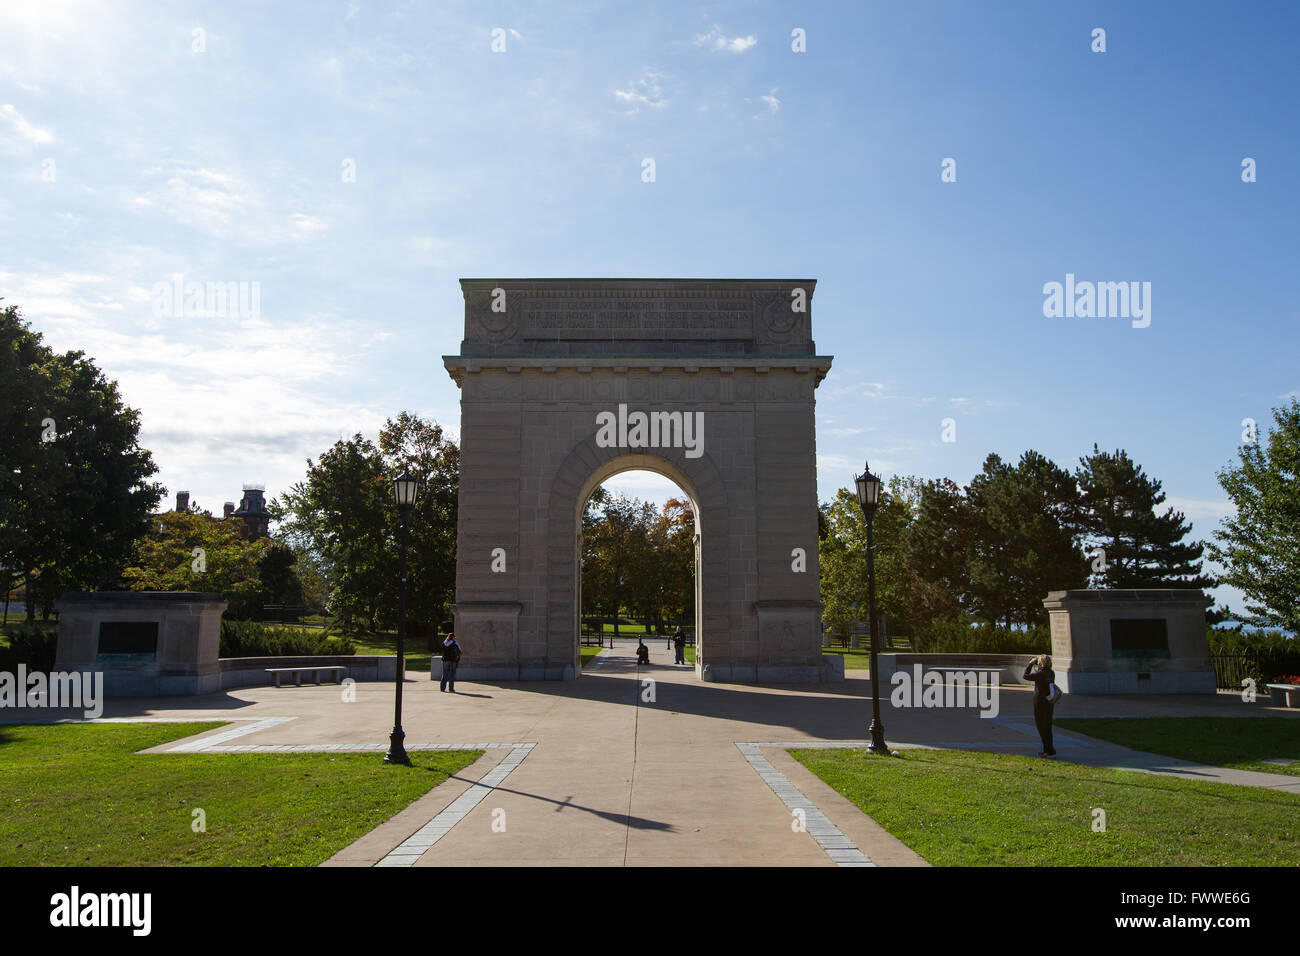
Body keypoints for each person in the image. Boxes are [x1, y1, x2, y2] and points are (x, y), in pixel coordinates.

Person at [1022, 653, 1057, 757]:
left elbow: (1025, 676)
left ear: (1041, 663)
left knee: (1041, 726)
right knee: (1048, 726)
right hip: (1049, 701)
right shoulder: (1051, 673)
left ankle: (1048, 749)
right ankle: (1049, 749)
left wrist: (1030, 664)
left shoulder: (1040, 674)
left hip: (1040, 702)